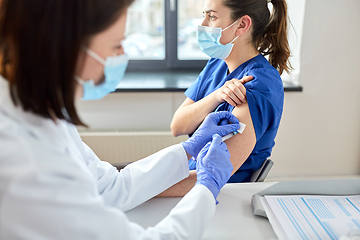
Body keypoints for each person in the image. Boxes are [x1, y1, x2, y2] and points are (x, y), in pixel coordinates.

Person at [0, 1, 241, 239]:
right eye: (116, 45)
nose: (123, 55)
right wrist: (206, 189)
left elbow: (111, 187)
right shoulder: (23, 159)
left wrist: (187, 150)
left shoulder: (46, 114)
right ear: (68, 47)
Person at [164, 0, 292, 196]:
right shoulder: (217, 64)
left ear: (242, 25)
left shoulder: (258, 84)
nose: (203, 25)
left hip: (218, 194)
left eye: (212, 16)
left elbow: (213, 174)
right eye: (204, 15)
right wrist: (216, 96)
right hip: (189, 178)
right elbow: (178, 126)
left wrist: (143, 188)